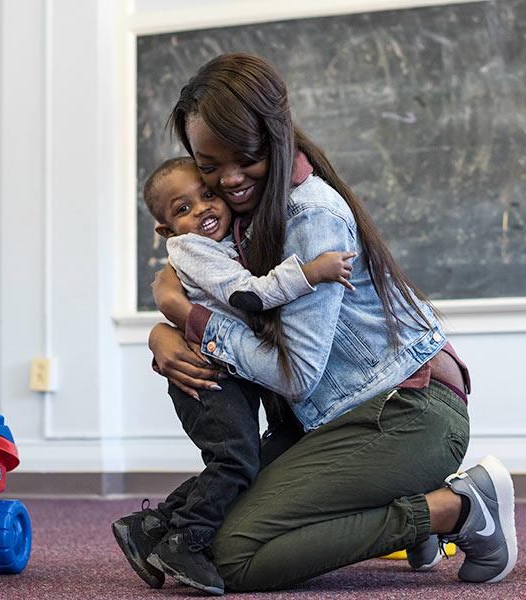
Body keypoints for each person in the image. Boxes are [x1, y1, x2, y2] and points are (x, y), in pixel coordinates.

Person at [145, 53, 517, 592]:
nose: (226, 180)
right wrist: (165, 327)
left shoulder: (311, 216)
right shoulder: (241, 219)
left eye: (244, 156)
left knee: (229, 559)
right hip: (335, 422)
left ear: (275, 135)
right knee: (199, 533)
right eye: (208, 166)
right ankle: (393, 503)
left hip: (408, 414)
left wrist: (185, 316)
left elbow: (295, 377)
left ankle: (454, 509)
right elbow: (215, 285)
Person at [112, 156, 355, 595]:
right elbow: (247, 295)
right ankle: (185, 540)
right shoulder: (194, 250)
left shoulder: (226, 238)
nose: (203, 209)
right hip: (208, 375)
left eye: (207, 196)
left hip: (229, 370)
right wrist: (311, 272)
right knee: (235, 460)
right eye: (183, 209)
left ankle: (149, 526)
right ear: (167, 232)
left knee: (240, 459)